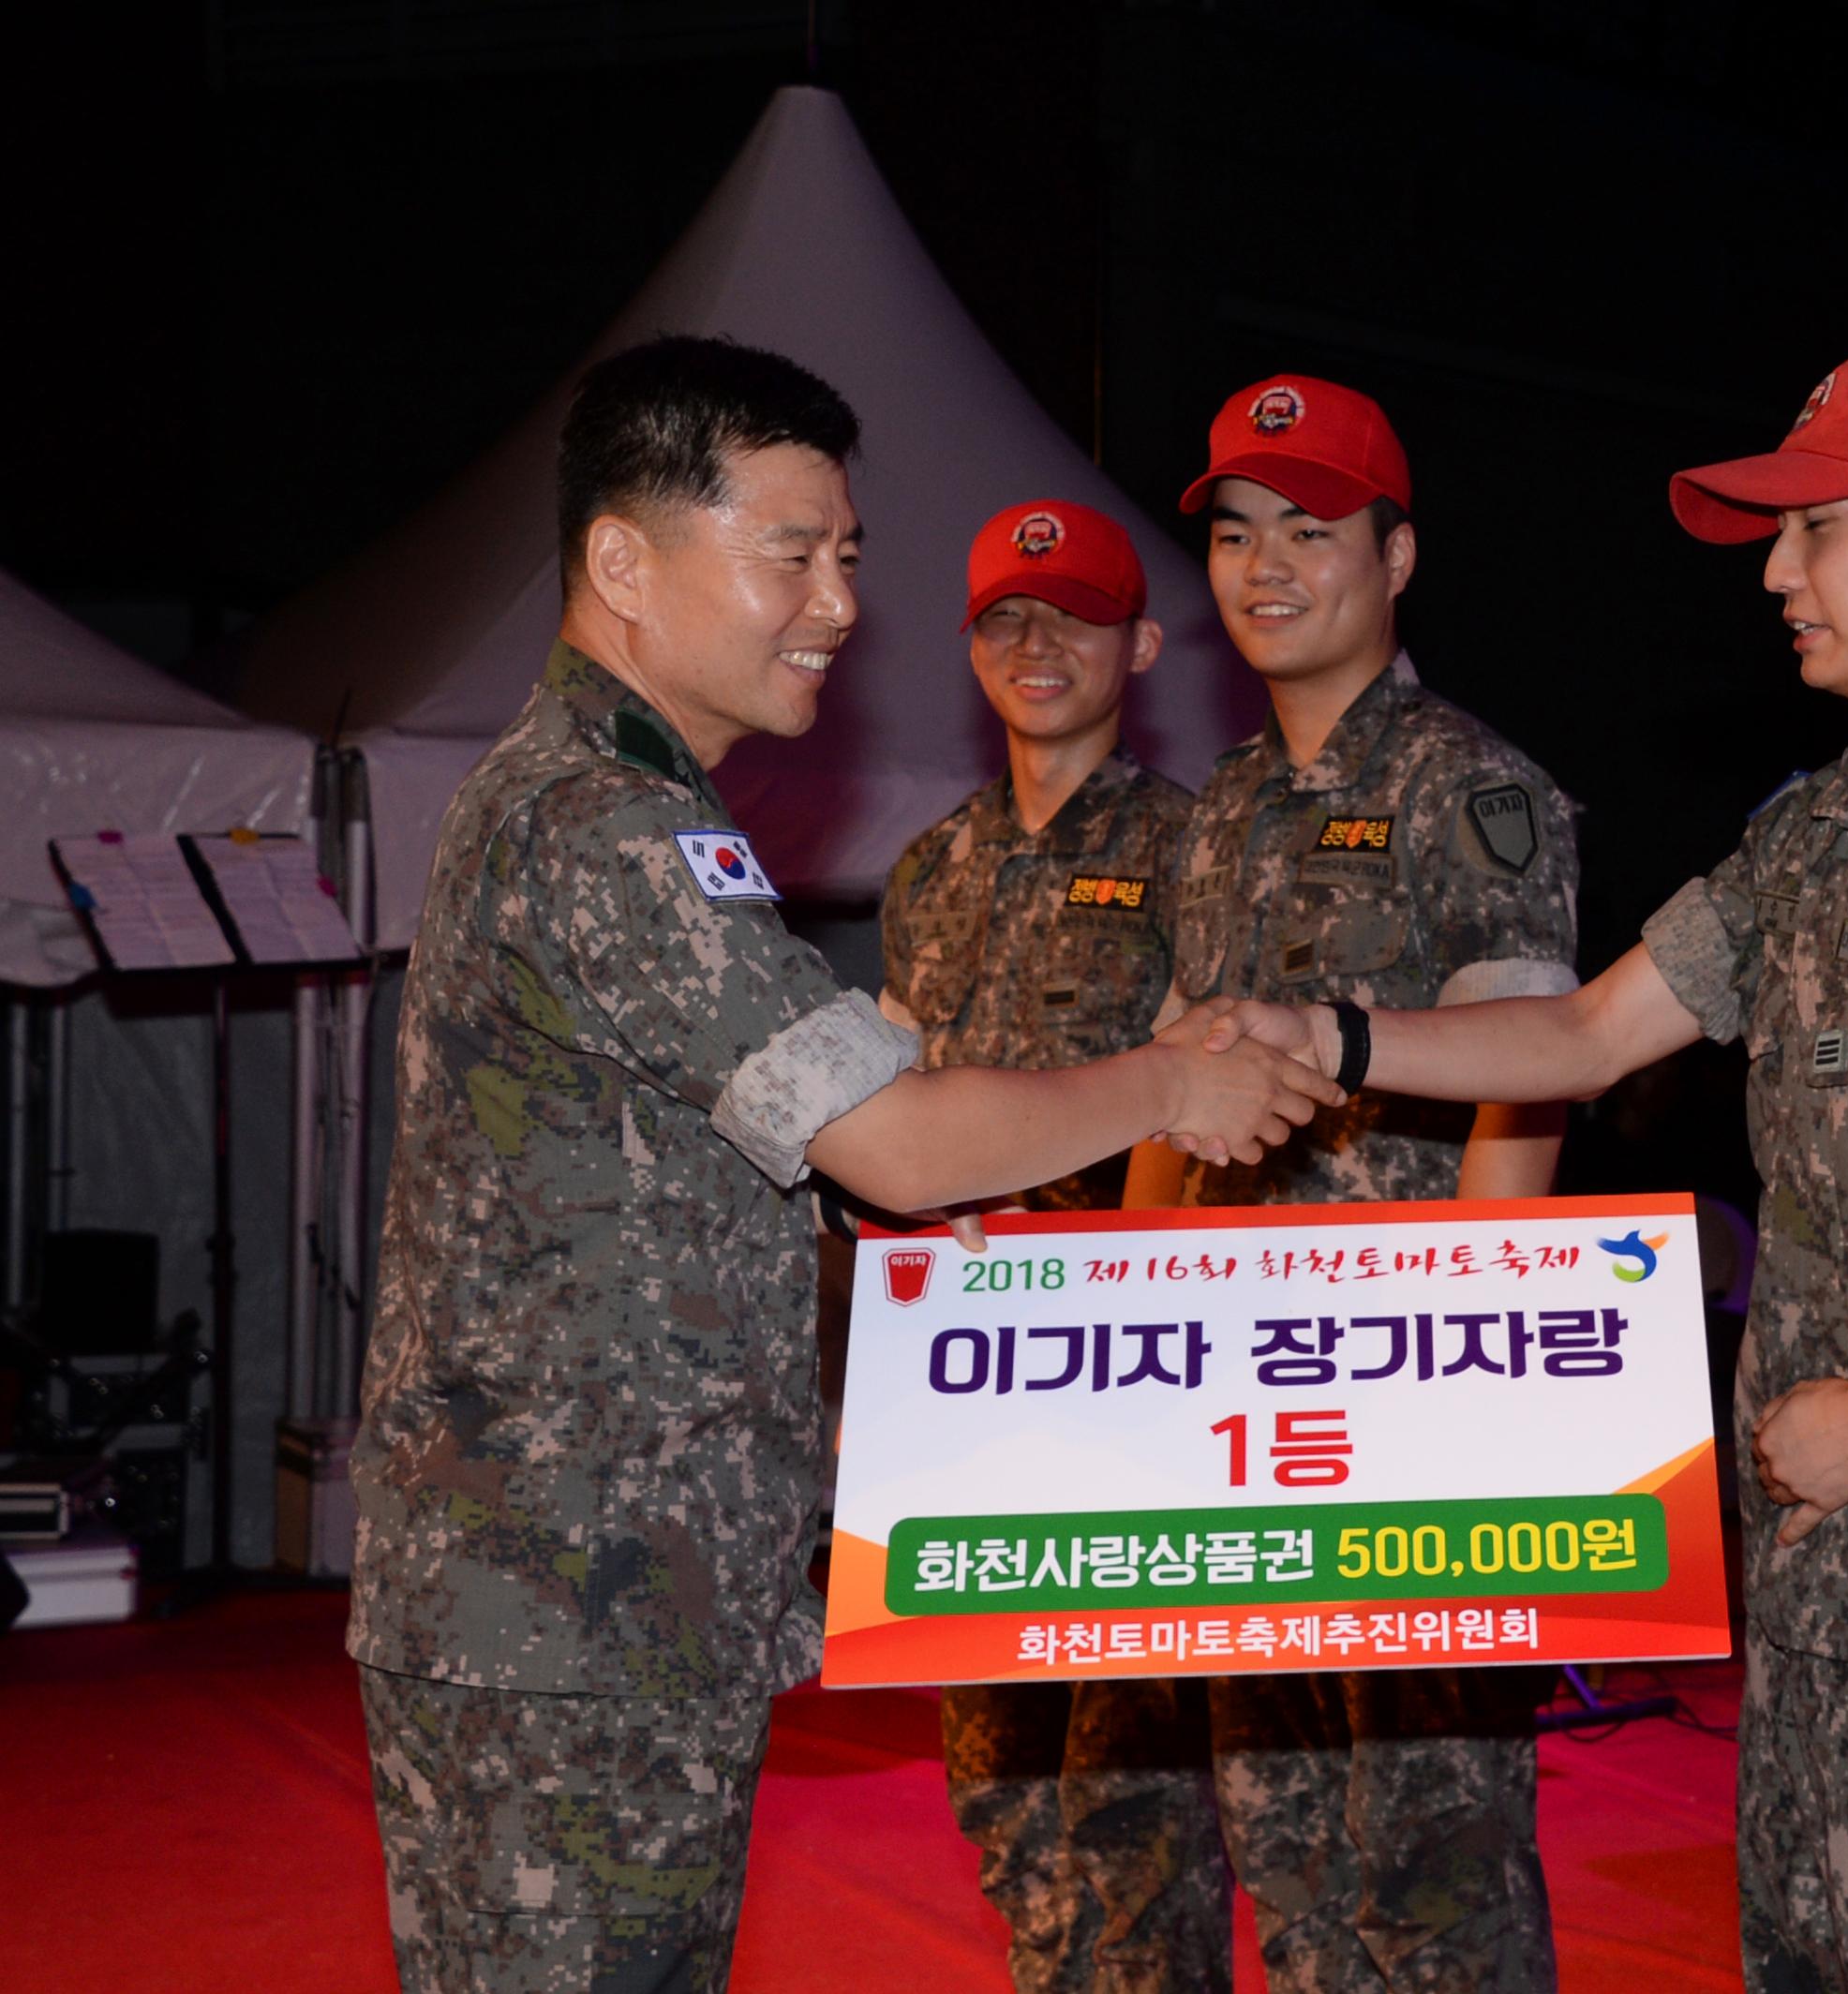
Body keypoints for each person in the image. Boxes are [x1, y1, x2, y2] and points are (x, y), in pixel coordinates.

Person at [346, 335, 1340, 1994]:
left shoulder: (635, 813)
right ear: (623, 561)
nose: (836, 603)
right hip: (567, 1616)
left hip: (609, 1602)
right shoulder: (608, 825)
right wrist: (1175, 1075)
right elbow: (892, 1144)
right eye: (791, 554)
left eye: (852, 557)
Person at [1209, 341, 1848, 1989]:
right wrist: (1330, 1038)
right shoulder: (1812, 832)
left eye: (1818, 529)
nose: (1776, 575)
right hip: (1810, 1548)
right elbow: (1580, 1038)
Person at [1111, 372, 1576, 1993]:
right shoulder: (1220, 810)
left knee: (1434, 1866)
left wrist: (1481, 1378)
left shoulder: (1479, 793)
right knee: (1289, 1844)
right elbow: (1179, 1095)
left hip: (1406, 1403)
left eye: (1310, 530)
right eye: (1237, 533)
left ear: (1398, 556)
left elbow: (1537, 1072)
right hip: (1249, 1406)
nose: (1265, 566)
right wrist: (1131, 1322)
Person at [877, 498, 1230, 1992]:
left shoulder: (1196, 849)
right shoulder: (930, 870)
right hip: (964, 1386)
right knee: (1002, 1782)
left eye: (1073, 617)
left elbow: (1208, 1104)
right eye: (1006, 619)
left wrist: (1122, 1324)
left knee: (1137, 1792)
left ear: (1139, 646)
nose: (1037, 645)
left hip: (1124, 1377)